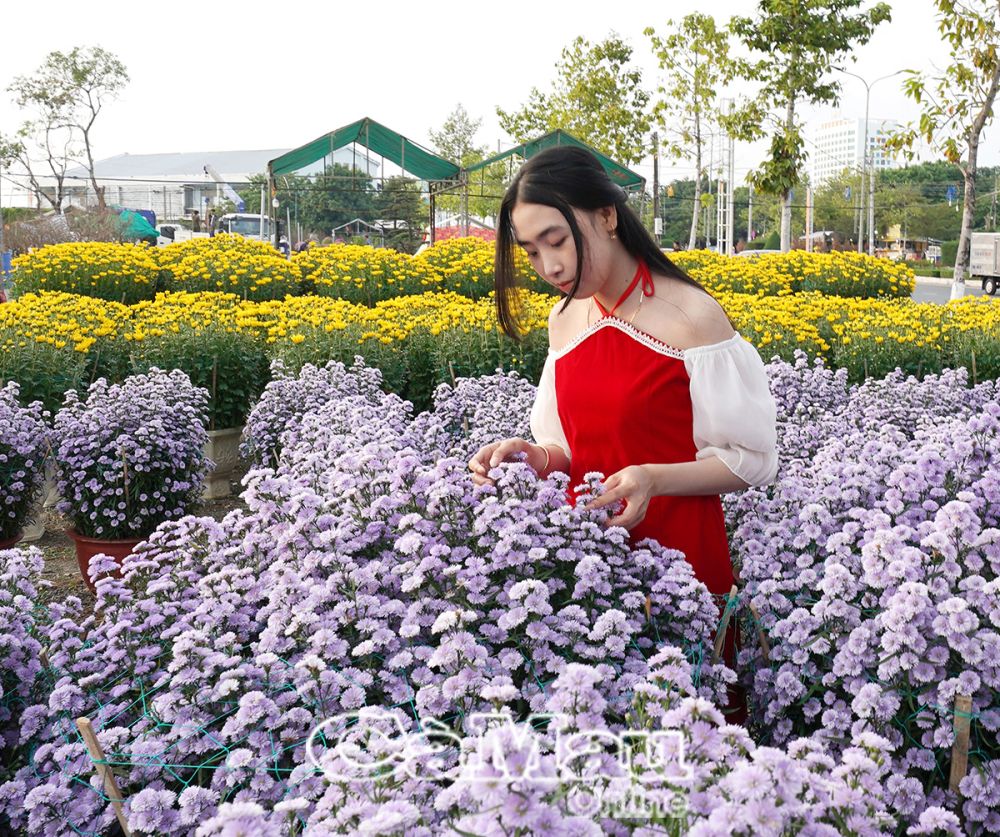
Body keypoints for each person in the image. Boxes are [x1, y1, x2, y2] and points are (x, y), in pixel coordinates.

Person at [468, 145, 778, 611]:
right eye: (531, 252)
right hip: (588, 564)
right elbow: (574, 449)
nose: (549, 267)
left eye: (558, 240)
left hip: (682, 564)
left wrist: (653, 478)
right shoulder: (564, 320)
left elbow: (751, 461)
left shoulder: (691, 316)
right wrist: (536, 458)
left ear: (607, 217)